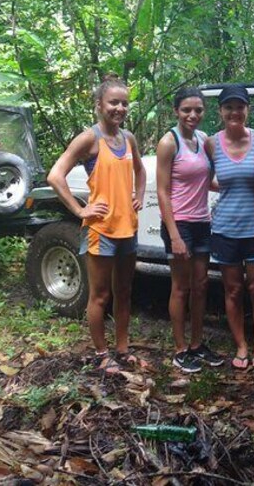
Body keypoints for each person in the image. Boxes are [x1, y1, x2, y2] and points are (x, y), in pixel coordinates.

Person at [47, 73, 147, 374]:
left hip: (127, 227)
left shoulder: (128, 139)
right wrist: (80, 209)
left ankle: (122, 347)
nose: (119, 108)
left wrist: (138, 195)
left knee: (125, 291)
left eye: (124, 103)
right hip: (100, 230)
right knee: (100, 294)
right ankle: (102, 353)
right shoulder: (90, 138)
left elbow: (140, 172)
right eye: (113, 102)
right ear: (99, 105)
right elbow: (55, 175)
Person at [156, 87, 224, 373]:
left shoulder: (203, 140)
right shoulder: (169, 142)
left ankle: (197, 344)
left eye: (198, 110)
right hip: (179, 223)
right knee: (181, 287)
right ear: (176, 111)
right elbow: (162, 191)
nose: (192, 115)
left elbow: (206, 181)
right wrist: (173, 235)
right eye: (186, 110)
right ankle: (180, 348)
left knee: (201, 286)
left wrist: (237, 188)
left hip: (201, 222)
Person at [204, 84, 254, 370]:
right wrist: (229, 188)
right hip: (225, 228)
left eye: (239, 107)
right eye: (229, 107)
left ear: (247, 110)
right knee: (232, 290)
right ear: (220, 111)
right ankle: (241, 344)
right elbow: (203, 177)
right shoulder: (211, 143)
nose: (234, 112)